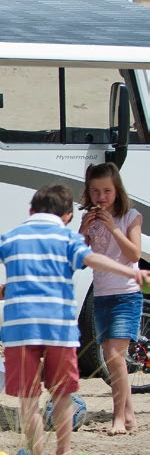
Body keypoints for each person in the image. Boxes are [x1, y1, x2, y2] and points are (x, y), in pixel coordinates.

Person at [0, 184, 150, 455]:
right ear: (68, 216)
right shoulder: (67, 237)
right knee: (63, 394)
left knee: (29, 398)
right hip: (59, 329)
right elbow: (92, 259)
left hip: (20, 330)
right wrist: (131, 271)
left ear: (31, 210)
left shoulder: (12, 236)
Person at [79, 162, 145, 435]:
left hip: (127, 295)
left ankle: (119, 417)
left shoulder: (131, 216)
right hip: (102, 296)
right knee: (112, 357)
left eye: (107, 190)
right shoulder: (91, 221)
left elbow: (134, 256)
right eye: (95, 192)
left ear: (117, 190)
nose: (101, 197)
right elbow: (79, 260)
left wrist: (113, 228)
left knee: (114, 357)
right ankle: (129, 415)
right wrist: (83, 231)